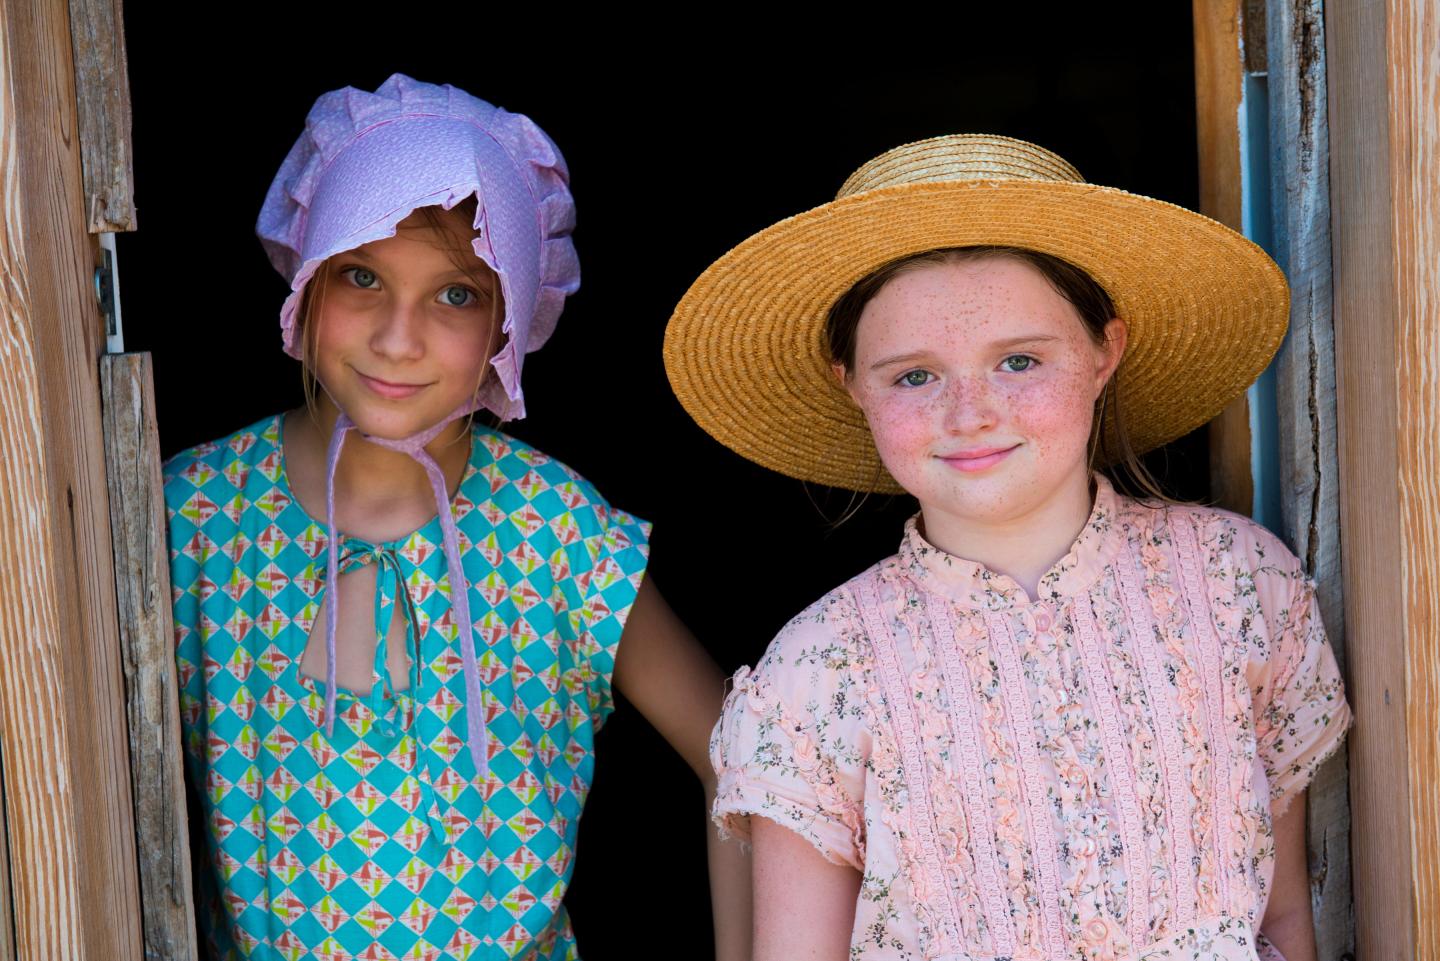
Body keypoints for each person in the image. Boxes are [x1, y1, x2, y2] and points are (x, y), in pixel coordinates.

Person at [664, 134, 1350, 961]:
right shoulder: (818, 672)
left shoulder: (1239, 584)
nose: (970, 411)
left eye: (1018, 360)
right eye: (914, 376)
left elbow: (1279, 920)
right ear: (852, 385)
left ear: (1106, 351)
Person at [164, 74, 748, 961]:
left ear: (512, 322)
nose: (398, 338)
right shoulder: (192, 517)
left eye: (457, 295)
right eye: (361, 275)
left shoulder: (558, 535)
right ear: (305, 276)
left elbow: (747, 763)